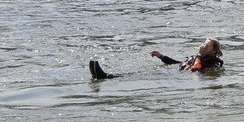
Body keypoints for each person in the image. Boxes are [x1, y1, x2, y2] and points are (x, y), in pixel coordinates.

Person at [89, 37, 224, 80]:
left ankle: (105, 77)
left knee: (143, 77)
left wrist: (200, 55)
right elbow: (181, 63)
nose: (202, 47)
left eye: (206, 46)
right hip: (175, 73)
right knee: (141, 74)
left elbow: (196, 71)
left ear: (213, 51)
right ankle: (106, 76)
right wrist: (162, 57)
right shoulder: (200, 57)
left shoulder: (214, 64)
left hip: (176, 79)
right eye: (203, 44)